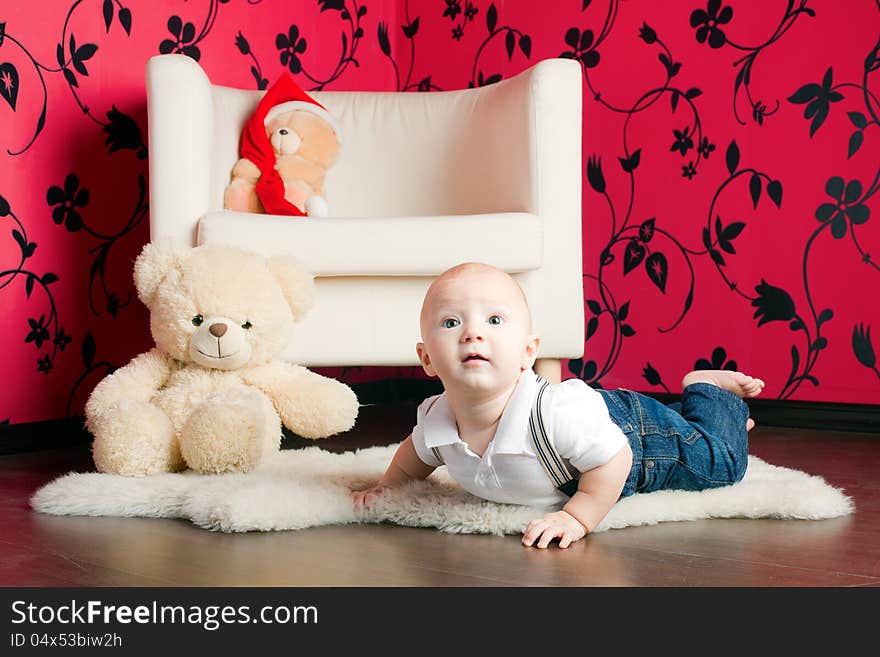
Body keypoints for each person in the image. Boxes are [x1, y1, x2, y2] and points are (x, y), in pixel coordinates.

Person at [351, 263, 764, 549]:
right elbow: (411, 459)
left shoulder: (552, 416)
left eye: (494, 321)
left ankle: (708, 390)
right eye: (451, 322)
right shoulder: (436, 420)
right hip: (590, 424)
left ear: (527, 352)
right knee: (682, 429)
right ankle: (694, 416)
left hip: (633, 438)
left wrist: (578, 516)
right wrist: (386, 488)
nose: (473, 333)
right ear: (426, 358)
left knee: (721, 463)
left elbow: (614, 461)